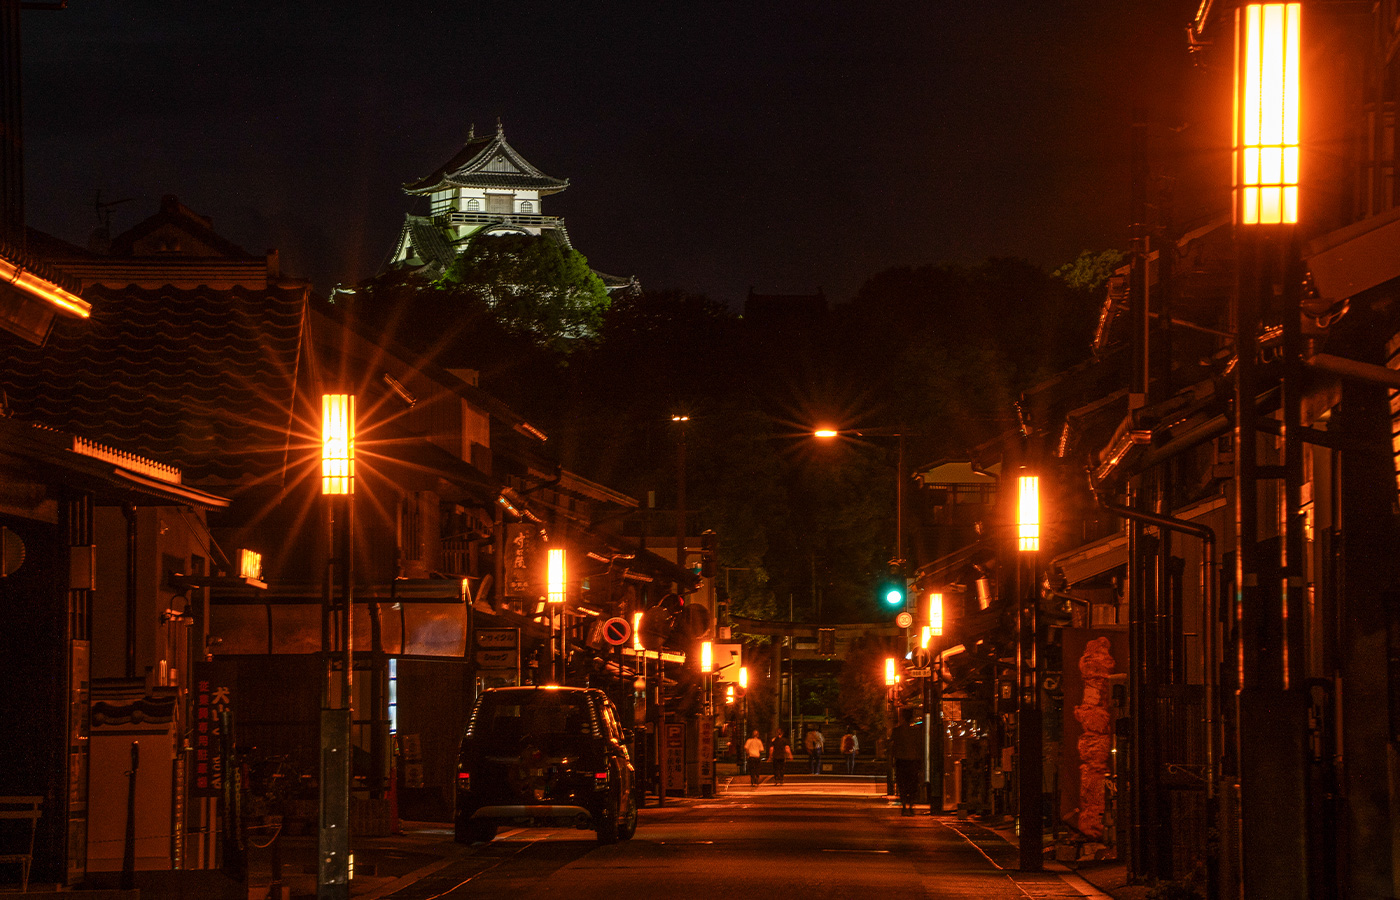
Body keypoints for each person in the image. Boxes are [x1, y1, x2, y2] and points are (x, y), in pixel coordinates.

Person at [891, 707, 923, 816]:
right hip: (913, 760)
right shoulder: (916, 731)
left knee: (902, 784)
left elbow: (893, 746)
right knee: (912, 784)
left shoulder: (897, 731)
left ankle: (904, 805)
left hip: (901, 760)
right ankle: (911, 805)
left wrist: (892, 759)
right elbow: (920, 746)